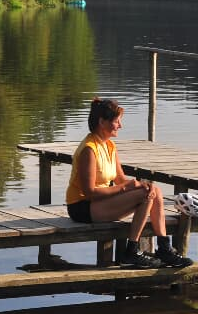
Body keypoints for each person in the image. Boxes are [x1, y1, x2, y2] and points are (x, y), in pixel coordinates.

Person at [65, 97, 191, 268]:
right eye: (117, 121)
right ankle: (131, 252)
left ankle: (164, 248)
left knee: (155, 191)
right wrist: (128, 187)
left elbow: (121, 179)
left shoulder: (109, 146)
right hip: (82, 207)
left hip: (100, 202)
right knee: (145, 195)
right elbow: (89, 192)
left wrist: (141, 184)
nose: (120, 126)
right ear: (102, 122)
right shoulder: (89, 149)